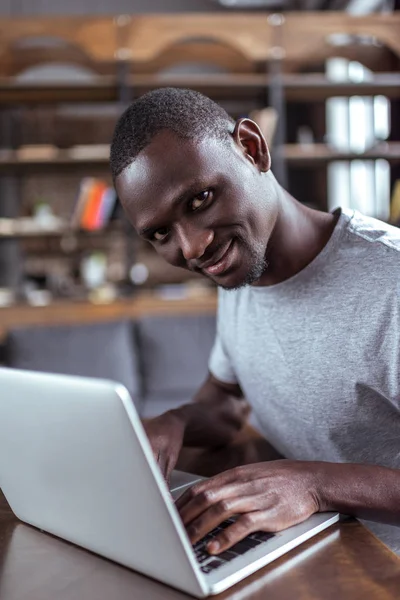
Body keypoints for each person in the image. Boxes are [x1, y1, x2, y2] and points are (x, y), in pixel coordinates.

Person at [110, 87, 400, 557]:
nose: (191, 248)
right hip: (308, 552)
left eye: (200, 199)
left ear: (252, 148)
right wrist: (175, 421)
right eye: (161, 233)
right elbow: (225, 401)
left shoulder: (390, 281)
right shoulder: (242, 269)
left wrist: (315, 484)